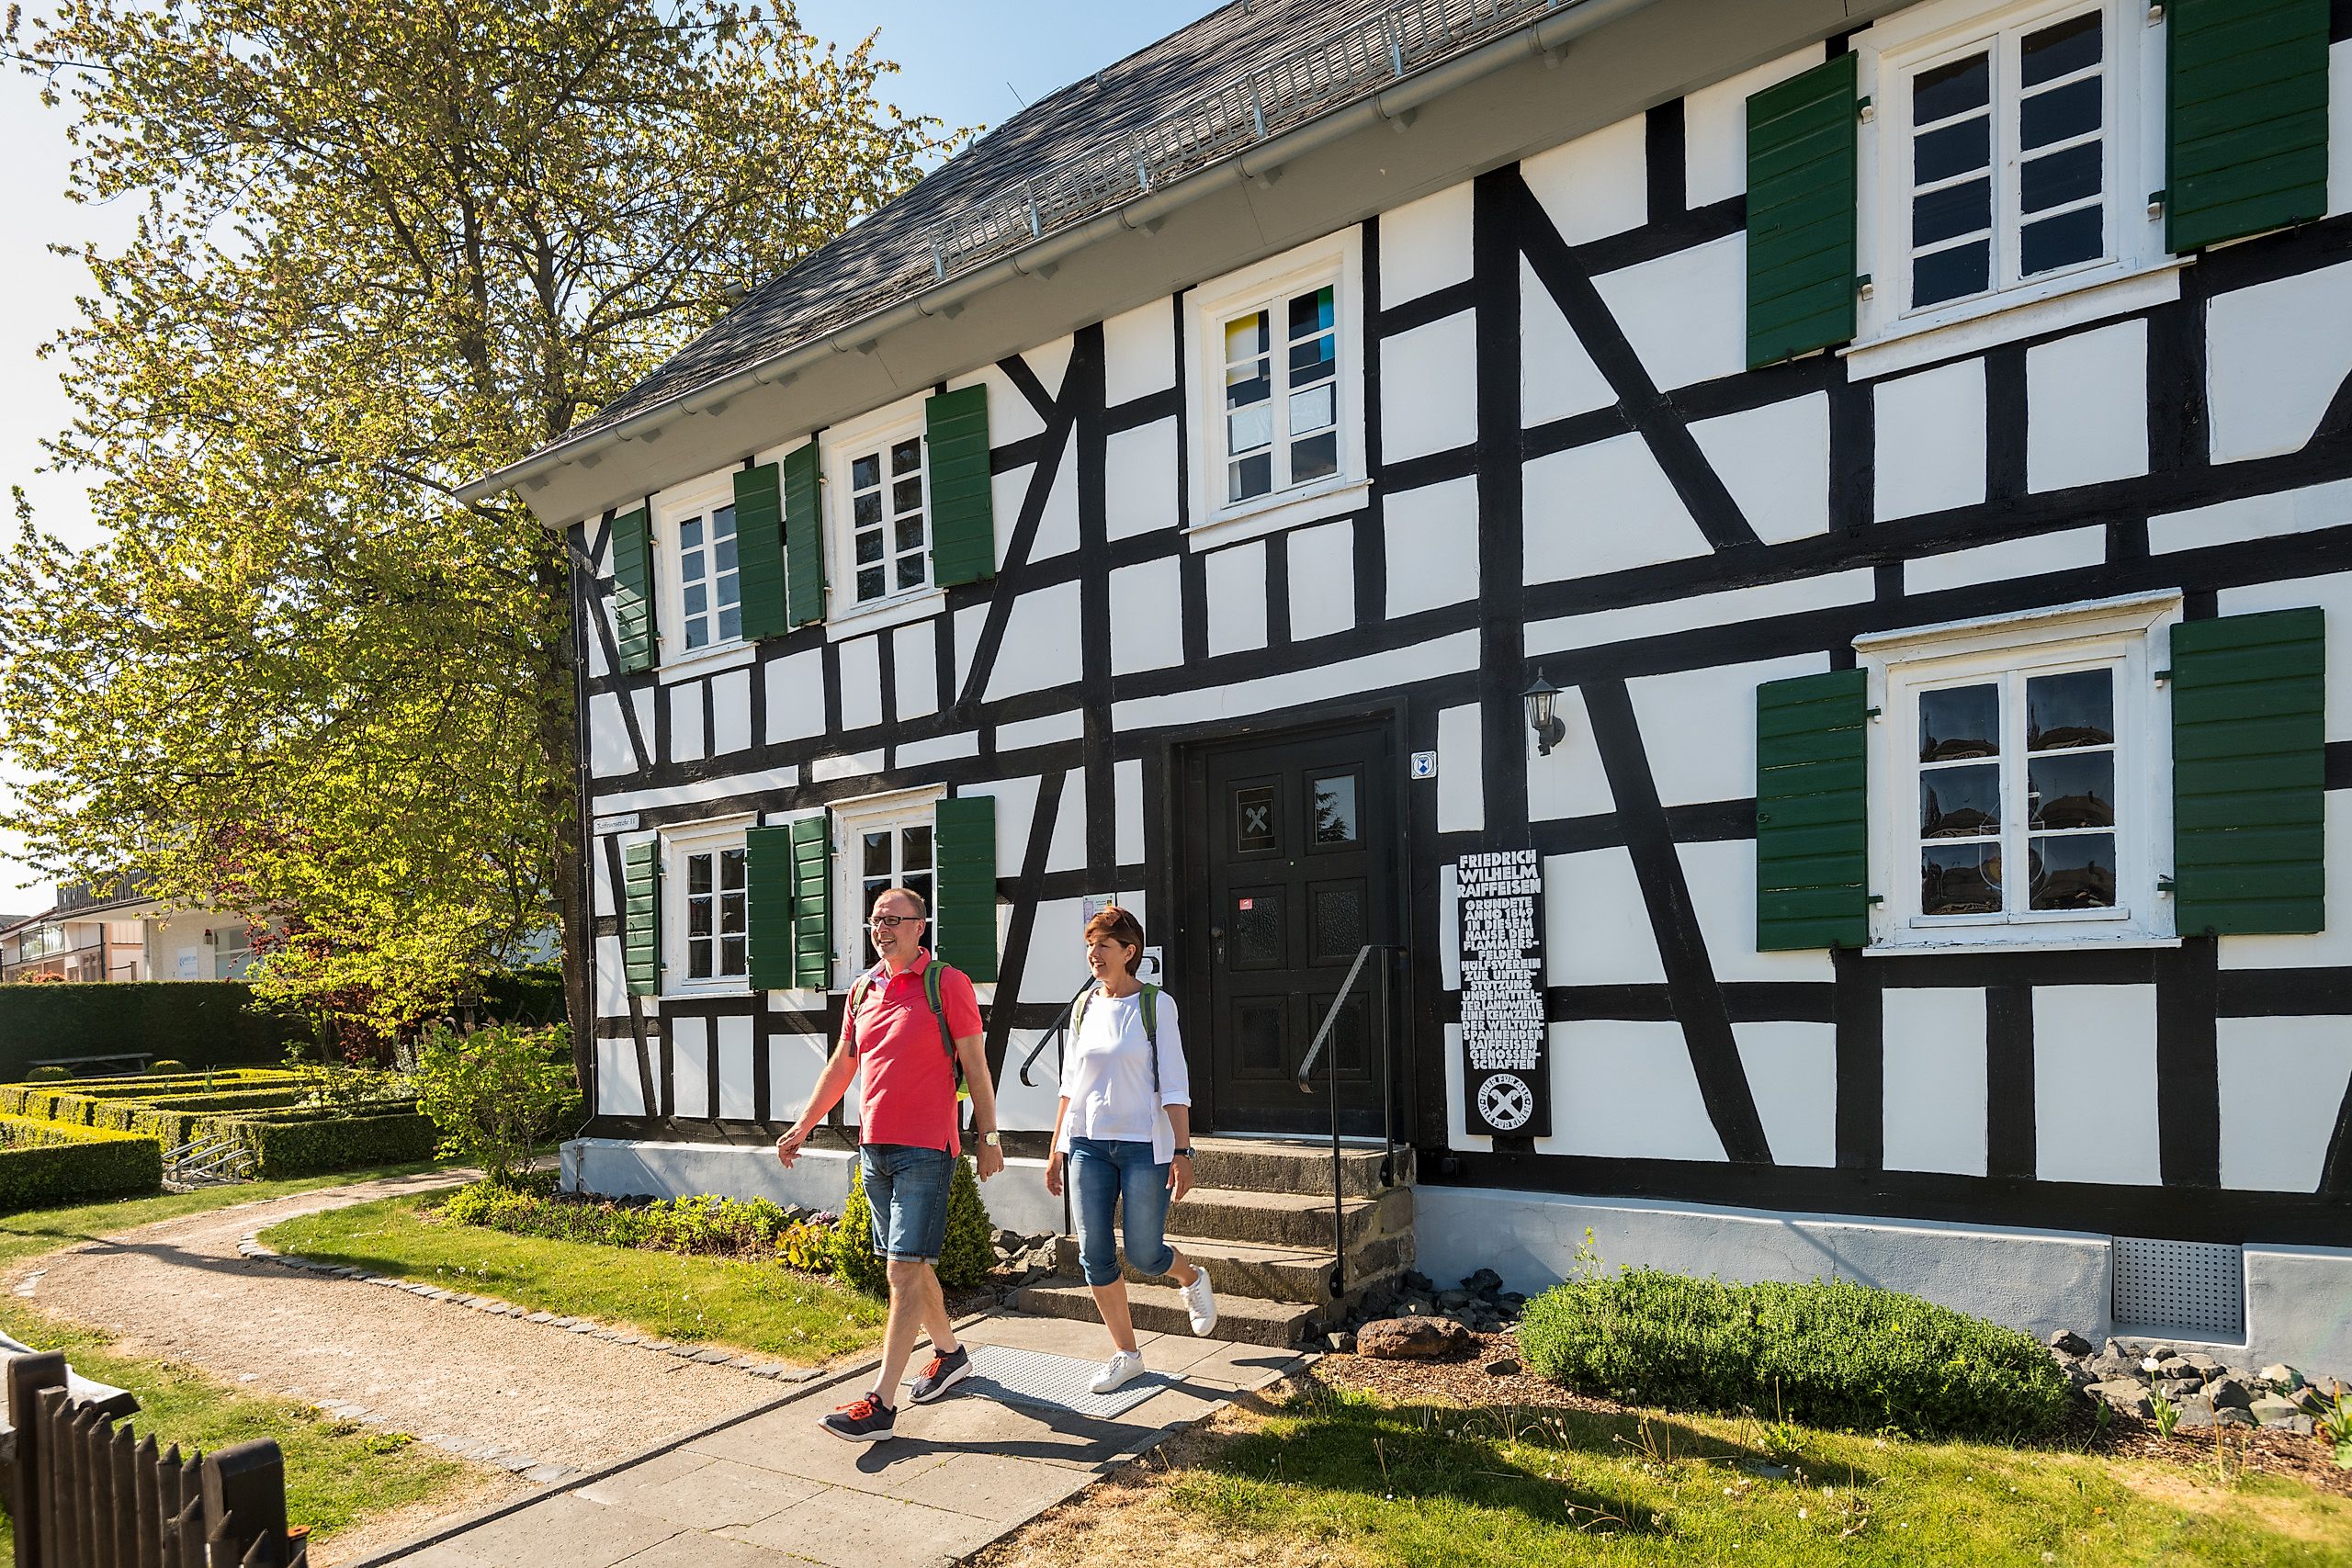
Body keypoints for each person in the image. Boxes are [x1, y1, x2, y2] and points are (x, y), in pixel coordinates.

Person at [776, 886, 1003, 1442]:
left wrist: (989, 1136)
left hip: (927, 1149)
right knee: (910, 1267)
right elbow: (842, 1065)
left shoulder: (946, 983)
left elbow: (976, 1064)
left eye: (894, 920)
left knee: (902, 1269)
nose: (882, 929)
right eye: (876, 920)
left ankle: (881, 1404)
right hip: (874, 1148)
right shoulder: (862, 989)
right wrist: (803, 1125)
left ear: (920, 927)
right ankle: (950, 1354)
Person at [1046, 905, 1217, 1393]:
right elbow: (1070, 1085)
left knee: (1144, 1253)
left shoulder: (1156, 1005)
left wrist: (1183, 1151)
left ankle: (1191, 1277)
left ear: (1129, 951)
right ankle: (1127, 1354)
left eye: (1103, 945)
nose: (1094, 954)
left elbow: (1175, 1083)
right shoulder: (1084, 1006)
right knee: (1095, 1254)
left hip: (1144, 1147)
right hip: (1088, 1145)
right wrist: (1056, 1148)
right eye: (1090, 946)